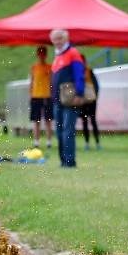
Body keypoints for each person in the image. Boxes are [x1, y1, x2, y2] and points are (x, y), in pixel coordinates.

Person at [49, 29, 85, 168]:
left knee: (68, 130)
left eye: (60, 38)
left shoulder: (73, 53)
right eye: (55, 39)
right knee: (59, 131)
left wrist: (79, 94)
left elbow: (79, 74)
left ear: (66, 39)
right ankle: (63, 160)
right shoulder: (58, 56)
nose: (57, 42)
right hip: (58, 101)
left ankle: (70, 161)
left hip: (70, 100)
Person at [29, 46, 53, 149]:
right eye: (40, 54)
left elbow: (52, 81)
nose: (41, 57)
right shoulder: (34, 67)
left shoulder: (50, 67)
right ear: (37, 55)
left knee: (48, 120)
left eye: (43, 54)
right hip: (36, 96)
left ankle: (48, 141)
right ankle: (36, 142)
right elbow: (31, 81)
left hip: (47, 96)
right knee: (36, 120)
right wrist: (30, 93)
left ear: (46, 55)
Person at [79, 58, 101, 151]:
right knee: (84, 122)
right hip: (83, 102)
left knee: (93, 121)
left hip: (91, 101)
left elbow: (96, 85)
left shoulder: (89, 71)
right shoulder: (77, 72)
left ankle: (97, 142)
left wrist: (94, 96)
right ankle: (87, 143)